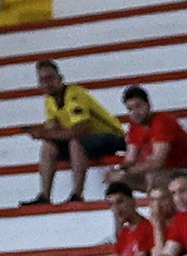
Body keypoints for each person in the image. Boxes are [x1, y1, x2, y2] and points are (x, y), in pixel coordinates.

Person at [26, 60, 124, 206]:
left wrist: (43, 133)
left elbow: (80, 129)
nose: (48, 83)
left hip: (111, 137)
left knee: (75, 142)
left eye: (50, 78)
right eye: (43, 80)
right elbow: (52, 130)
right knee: (48, 145)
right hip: (87, 140)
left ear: (60, 78)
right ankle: (44, 196)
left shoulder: (75, 94)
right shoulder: (49, 100)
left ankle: (77, 194)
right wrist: (45, 134)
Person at [116, 85, 187, 185]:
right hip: (165, 173)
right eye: (130, 109)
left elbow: (157, 162)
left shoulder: (162, 122)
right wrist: (118, 170)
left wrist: (126, 172)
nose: (135, 112)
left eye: (138, 106)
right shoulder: (135, 126)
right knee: (119, 180)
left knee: (154, 176)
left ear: (148, 104)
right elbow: (130, 159)